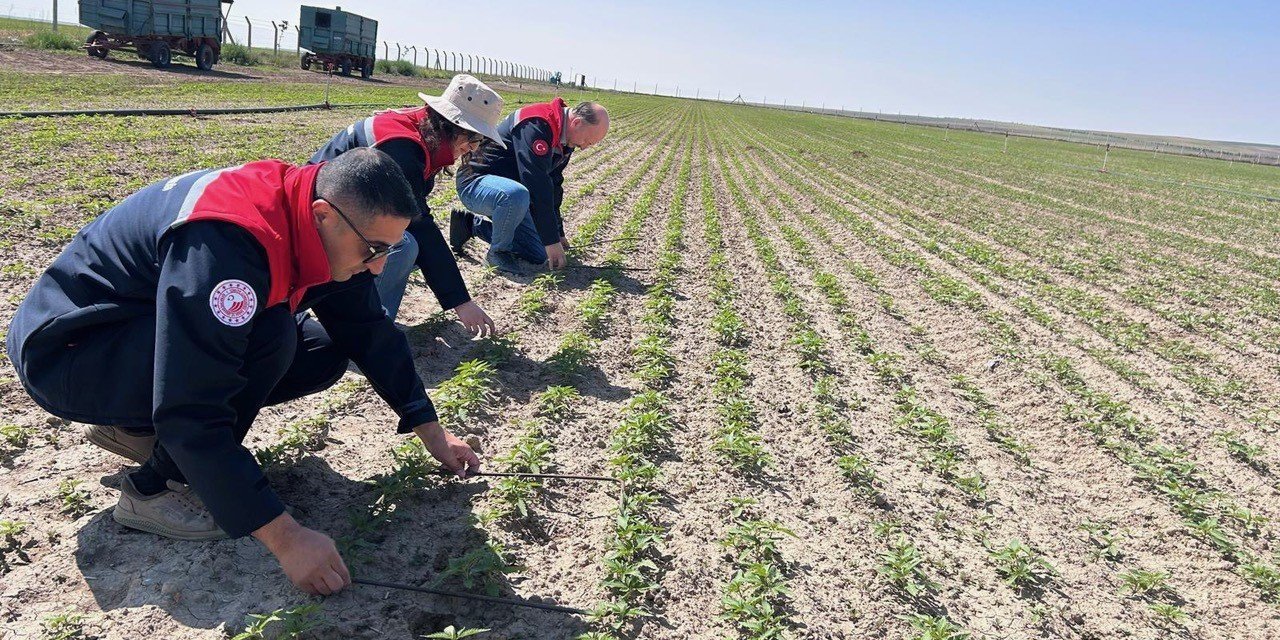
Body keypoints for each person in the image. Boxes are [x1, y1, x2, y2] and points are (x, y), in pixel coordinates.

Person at [5, 149, 481, 596]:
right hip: (70, 352)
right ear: (323, 215)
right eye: (373, 249)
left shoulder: (310, 214)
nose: (377, 268)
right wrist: (287, 538)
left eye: (388, 252)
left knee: (321, 349)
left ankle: (134, 427)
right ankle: (155, 489)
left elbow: (368, 330)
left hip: (130, 333)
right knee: (269, 335)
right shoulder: (229, 244)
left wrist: (430, 429)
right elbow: (193, 406)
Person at [311, 74, 505, 333]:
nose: (473, 149)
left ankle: (366, 317)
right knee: (403, 244)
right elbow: (418, 224)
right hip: (320, 221)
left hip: (341, 211)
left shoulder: (420, 130)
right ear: (452, 125)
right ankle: (364, 328)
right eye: (473, 139)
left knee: (407, 247)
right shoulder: (402, 148)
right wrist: (461, 301)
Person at [449, 99, 610, 275]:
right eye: (588, 141)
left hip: (513, 196)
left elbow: (553, 185)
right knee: (516, 196)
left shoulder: (566, 139)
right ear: (576, 123)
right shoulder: (536, 124)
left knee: (538, 253)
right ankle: (498, 253)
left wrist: (557, 233)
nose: (585, 147)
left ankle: (470, 225)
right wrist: (551, 240)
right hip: (476, 183)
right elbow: (536, 183)